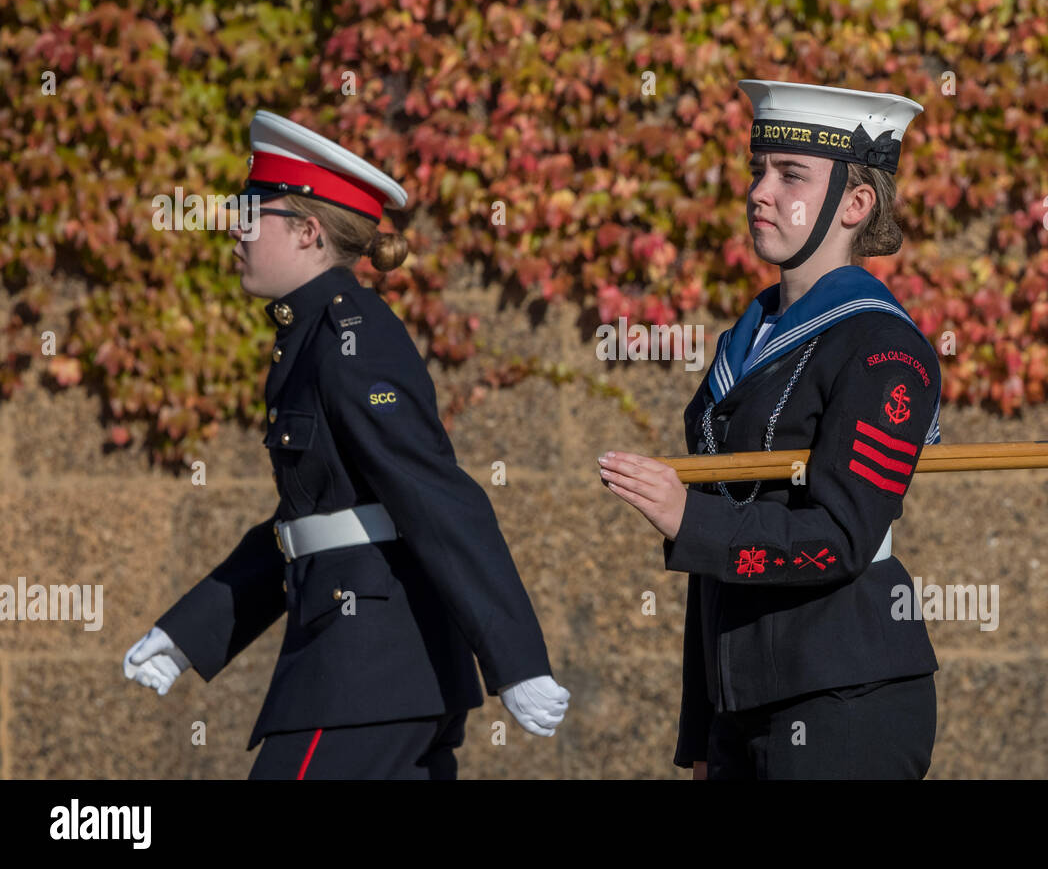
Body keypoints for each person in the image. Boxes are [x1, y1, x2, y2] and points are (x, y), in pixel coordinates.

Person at [123, 110, 569, 779]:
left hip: (366, 675)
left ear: (307, 231)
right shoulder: (312, 338)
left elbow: (436, 495)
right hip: (379, 674)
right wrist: (189, 632)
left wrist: (517, 661)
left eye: (252, 210)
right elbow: (313, 523)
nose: (234, 228)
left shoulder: (348, 340)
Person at [599, 80, 942, 779]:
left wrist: (685, 517)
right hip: (746, 699)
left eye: (790, 175)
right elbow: (719, 560)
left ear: (856, 203)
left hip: (844, 693)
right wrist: (703, 729)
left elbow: (843, 539)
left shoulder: (883, 348)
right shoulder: (748, 341)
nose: (759, 191)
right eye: (759, 169)